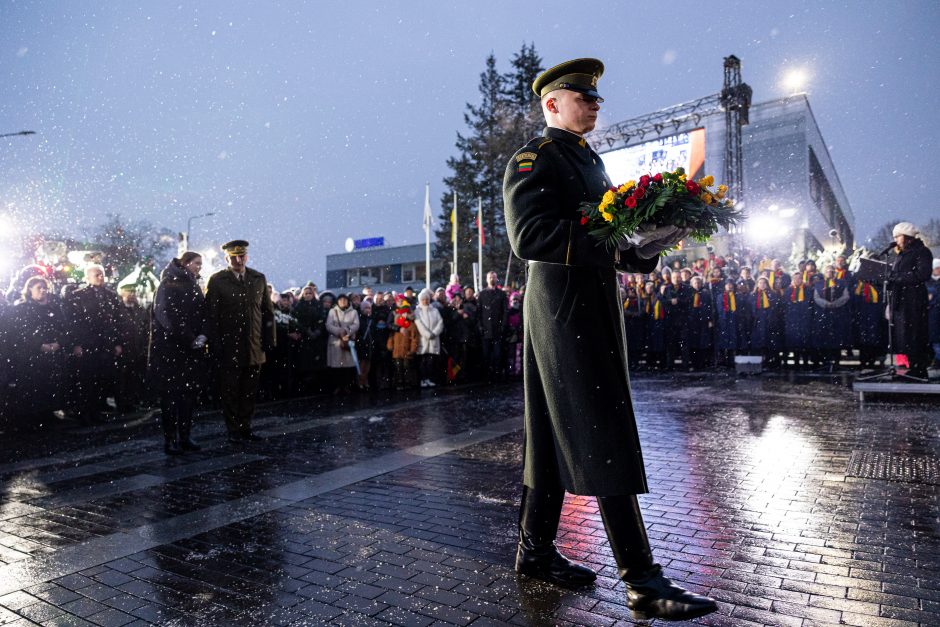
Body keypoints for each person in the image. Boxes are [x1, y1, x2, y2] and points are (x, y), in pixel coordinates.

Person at [503, 58, 715, 621]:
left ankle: (535, 552)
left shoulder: (588, 159)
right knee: (604, 429)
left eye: (597, 98)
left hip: (588, 307)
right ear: (552, 103)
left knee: (550, 440)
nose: (595, 104)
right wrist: (616, 243)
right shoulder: (535, 158)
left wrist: (647, 241)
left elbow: (611, 239)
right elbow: (531, 236)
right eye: (584, 97)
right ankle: (642, 579)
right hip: (562, 311)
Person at [205, 240, 275, 443]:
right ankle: (233, 430)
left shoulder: (258, 278)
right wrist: (215, 344)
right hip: (229, 347)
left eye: (242, 255)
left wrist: (268, 340)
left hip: (254, 346)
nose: (239, 260)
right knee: (231, 392)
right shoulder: (218, 280)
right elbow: (212, 315)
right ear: (227, 259)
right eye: (234, 256)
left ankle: (245, 427)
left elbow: (267, 313)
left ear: (247, 256)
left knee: (249, 392)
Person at [150, 253, 208, 454]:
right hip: (172, 350)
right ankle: (170, 439)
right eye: (197, 263)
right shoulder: (168, 284)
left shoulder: (192, 285)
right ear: (186, 264)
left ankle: (184, 436)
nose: (199, 267)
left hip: (190, 349)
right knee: (171, 396)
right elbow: (166, 316)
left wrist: (202, 334)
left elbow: (202, 313)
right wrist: (189, 337)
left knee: (188, 395)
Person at [65, 264, 124, 425]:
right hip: (87, 345)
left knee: (100, 379)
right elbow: (73, 323)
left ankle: (96, 411)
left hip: (105, 345)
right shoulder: (78, 296)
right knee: (86, 381)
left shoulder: (110, 296)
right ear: (88, 278)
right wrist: (76, 344)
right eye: (97, 275)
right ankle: (85, 412)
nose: (100, 277)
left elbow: (116, 321)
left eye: (102, 274)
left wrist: (117, 342)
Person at [8, 276, 69, 424]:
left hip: (53, 352)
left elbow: (64, 328)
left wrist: (58, 343)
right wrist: (39, 345)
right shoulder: (22, 309)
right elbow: (21, 332)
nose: (43, 291)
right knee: (35, 385)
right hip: (32, 356)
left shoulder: (53, 308)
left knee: (51, 384)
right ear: (30, 290)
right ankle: (34, 416)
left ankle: (49, 412)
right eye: (38, 288)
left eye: (44, 287)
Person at [887, 222, 934, 380]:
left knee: (915, 333)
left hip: (914, 300)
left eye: (897, 236)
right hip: (901, 299)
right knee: (904, 335)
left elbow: (922, 274)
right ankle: (912, 365)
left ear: (907, 237)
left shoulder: (922, 252)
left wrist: (897, 278)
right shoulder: (901, 254)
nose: (895, 239)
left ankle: (919, 367)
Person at [325, 293, 360, 394]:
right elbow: (328, 325)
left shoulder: (353, 312)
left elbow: (356, 325)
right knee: (336, 368)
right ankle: (337, 386)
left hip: (347, 341)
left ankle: (346, 386)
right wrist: (338, 331)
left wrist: (346, 330)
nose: (343, 301)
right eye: (340, 300)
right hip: (336, 342)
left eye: (345, 300)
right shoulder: (332, 311)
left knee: (347, 367)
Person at [477, 271, 508, 382]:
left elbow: (505, 311)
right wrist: (480, 326)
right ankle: (487, 377)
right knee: (486, 355)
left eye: (494, 277)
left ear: (496, 279)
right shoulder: (482, 294)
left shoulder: (501, 294)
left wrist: (502, 326)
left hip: (497, 330)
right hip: (485, 330)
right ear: (487, 279)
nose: (492, 279)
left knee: (497, 355)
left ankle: (497, 376)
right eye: (490, 277)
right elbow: (479, 312)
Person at [414, 288, 444, 388]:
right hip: (423, 340)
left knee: (431, 362)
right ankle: (423, 379)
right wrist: (427, 334)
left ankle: (429, 379)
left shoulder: (434, 310)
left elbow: (440, 323)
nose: (425, 301)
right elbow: (418, 324)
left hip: (434, 340)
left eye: (426, 299)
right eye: (423, 299)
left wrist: (434, 333)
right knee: (423, 362)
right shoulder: (417, 311)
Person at [929, 259, 940, 368]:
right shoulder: (927, 281)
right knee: (933, 339)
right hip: (930, 315)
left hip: (936, 314)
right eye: (937, 268)